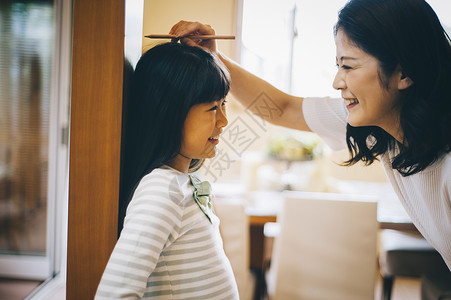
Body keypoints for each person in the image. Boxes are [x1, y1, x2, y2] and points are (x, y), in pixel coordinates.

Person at [170, 0, 451, 269]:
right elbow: (282, 108)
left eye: (349, 66)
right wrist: (213, 56)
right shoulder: (379, 125)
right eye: (338, 65)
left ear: (405, 73)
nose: (337, 81)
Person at [95, 42, 239, 299]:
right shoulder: (162, 188)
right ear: (170, 113)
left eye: (224, 103)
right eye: (212, 108)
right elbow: (113, 293)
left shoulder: (183, 182)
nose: (224, 120)